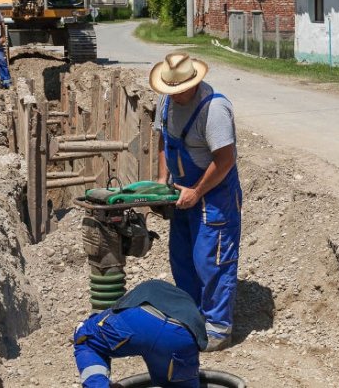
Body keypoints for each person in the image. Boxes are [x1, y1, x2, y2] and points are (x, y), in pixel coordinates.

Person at [149, 52, 242, 351]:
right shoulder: (165, 102)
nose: (173, 96)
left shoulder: (213, 109)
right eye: (169, 91)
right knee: (182, 256)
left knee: (211, 259)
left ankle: (218, 328)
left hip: (214, 194)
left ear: (193, 83)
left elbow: (225, 160)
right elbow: (163, 138)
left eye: (179, 91)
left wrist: (198, 192)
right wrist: (162, 178)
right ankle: (191, 318)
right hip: (182, 191)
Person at [73, 279, 207, 387]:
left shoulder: (146, 290)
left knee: (86, 340)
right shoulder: (189, 305)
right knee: (176, 381)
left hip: (139, 319)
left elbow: (111, 315)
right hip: (181, 336)